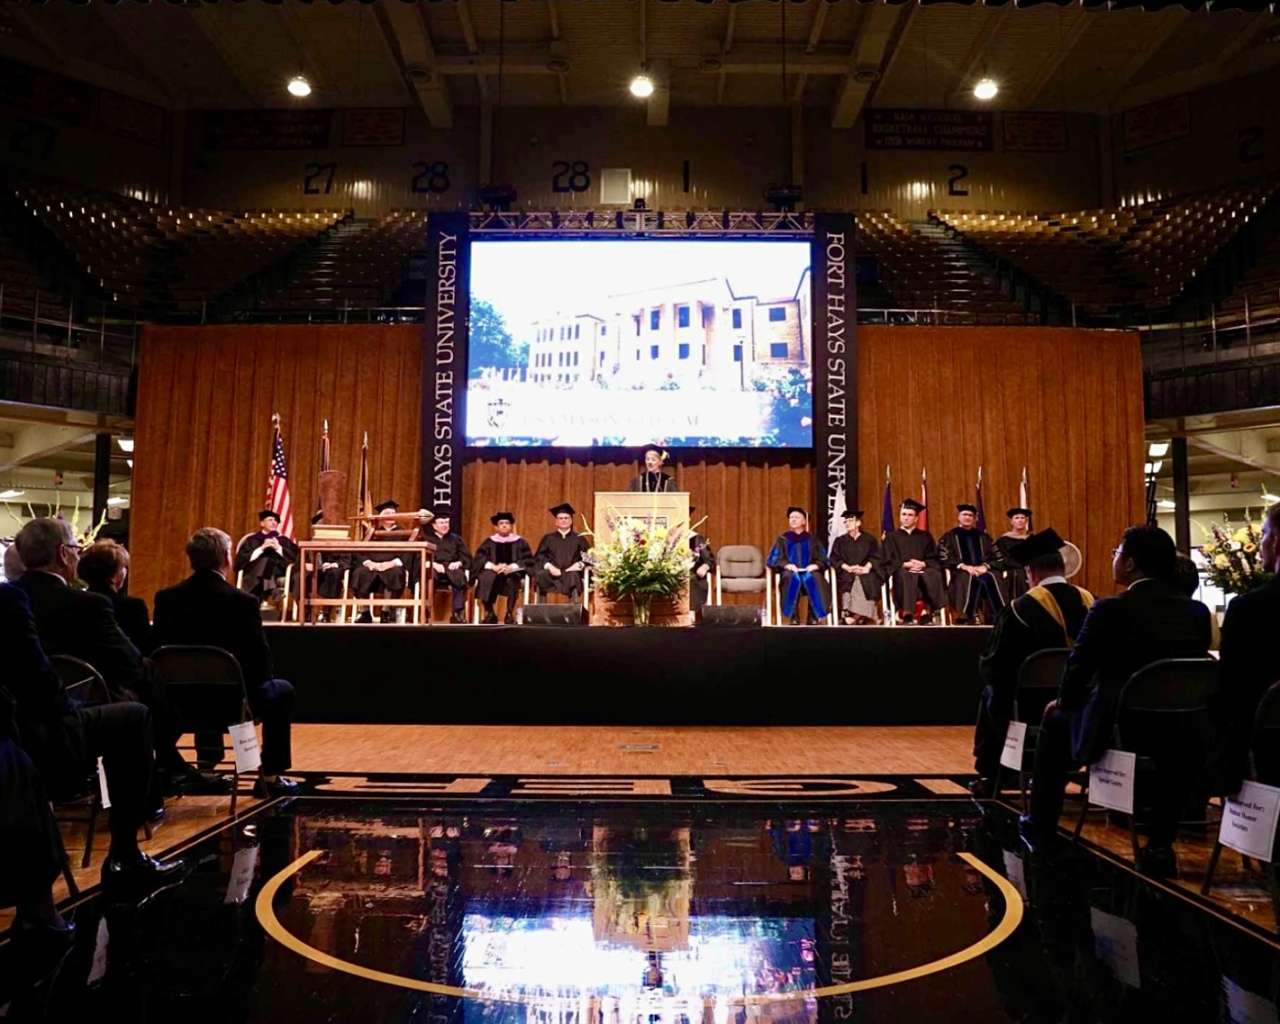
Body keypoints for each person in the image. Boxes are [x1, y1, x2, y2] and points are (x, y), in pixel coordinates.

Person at [1023, 525, 1213, 877]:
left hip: (1121, 726)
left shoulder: (1110, 609)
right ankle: (1159, 845)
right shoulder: (1196, 613)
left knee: (1054, 719)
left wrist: (1064, 701)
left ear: (1130, 565)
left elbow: (1078, 668)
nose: (1113, 557)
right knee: (1172, 752)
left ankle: (1040, 820)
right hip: (1182, 729)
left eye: (1116, 552)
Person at [1, 580, 185, 893]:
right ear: (62, 554)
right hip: (26, 736)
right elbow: (40, 681)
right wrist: (72, 703)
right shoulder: (8, 600)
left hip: (16, 730)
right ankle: (125, 856)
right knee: (134, 716)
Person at [151, 528, 298, 797]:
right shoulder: (242, 602)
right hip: (232, 701)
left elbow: (157, 652)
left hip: (177, 701)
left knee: (200, 677)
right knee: (281, 689)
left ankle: (206, 766)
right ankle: (271, 775)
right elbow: (260, 661)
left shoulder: (166, 598)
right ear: (225, 559)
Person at [971, 529, 1095, 796]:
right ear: (1063, 568)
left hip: (1030, 705)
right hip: (1082, 701)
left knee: (993, 691)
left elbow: (995, 666)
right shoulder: (1092, 603)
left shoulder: (1020, 608)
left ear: (1032, 572)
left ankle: (996, 774)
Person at [15, 518, 148, 703]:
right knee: (141, 709)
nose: (78, 557)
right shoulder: (90, 605)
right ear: (62, 553)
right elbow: (130, 663)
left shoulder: (7, 598)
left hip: (15, 709)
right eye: (76, 549)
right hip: (75, 710)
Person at [1214, 502, 1280, 794]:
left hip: (1265, 746)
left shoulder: (1248, 609)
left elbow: (1231, 690)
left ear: (1276, 541)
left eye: (1264, 534)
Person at [77, 539, 153, 655]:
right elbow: (146, 649)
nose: (125, 572)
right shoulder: (133, 606)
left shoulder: (76, 602)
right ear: (114, 575)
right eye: (123, 567)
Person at [351, 500, 418, 623]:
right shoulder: (372, 533)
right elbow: (360, 552)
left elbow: (408, 553)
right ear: (380, 517)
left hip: (392, 565)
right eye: (387, 513)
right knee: (359, 573)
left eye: (393, 513)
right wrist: (370, 563)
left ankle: (385, 611)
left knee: (394, 573)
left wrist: (390, 563)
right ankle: (365, 612)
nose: (391, 515)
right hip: (373, 566)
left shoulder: (403, 532)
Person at [880, 499, 945, 624]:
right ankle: (908, 613)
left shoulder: (925, 536)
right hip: (902, 570)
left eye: (910, 515)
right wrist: (904, 564)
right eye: (903, 514)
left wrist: (923, 564)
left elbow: (933, 557)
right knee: (907, 575)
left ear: (916, 518)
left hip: (923, 569)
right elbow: (887, 558)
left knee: (933, 574)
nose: (906, 518)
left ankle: (928, 610)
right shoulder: (891, 537)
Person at [938, 504, 1005, 625]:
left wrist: (985, 567)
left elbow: (997, 557)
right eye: (964, 514)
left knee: (992, 577)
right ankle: (964, 616)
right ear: (958, 517)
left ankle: (999, 615)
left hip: (983, 570)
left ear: (974, 519)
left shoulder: (983, 537)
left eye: (970, 515)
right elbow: (944, 557)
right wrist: (963, 566)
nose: (967, 517)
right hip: (960, 571)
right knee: (966, 578)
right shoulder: (950, 536)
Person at [767, 507, 830, 625]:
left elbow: (823, 559)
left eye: (796, 517)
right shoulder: (783, 539)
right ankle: (793, 616)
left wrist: (816, 565)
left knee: (815, 577)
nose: (793, 519)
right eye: (791, 517)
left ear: (804, 522)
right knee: (790, 577)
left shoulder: (812, 539)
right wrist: (787, 565)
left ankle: (813, 616)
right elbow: (774, 559)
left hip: (809, 571)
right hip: (790, 572)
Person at [473, 512, 533, 624]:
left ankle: (509, 613)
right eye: (501, 523)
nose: (504, 525)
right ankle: (490, 613)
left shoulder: (520, 542)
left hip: (512, 572)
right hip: (493, 572)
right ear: (496, 527)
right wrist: (493, 566)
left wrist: (512, 566)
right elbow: (479, 559)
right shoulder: (489, 542)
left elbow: (528, 559)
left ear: (511, 526)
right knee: (485, 578)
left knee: (513, 580)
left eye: (507, 523)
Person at [830, 509, 883, 625]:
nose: (847, 523)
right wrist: (847, 567)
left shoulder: (869, 539)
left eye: (850, 520)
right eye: (846, 521)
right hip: (846, 572)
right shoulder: (840, 541)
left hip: (867, 572)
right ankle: (871, 614)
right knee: (851, 579)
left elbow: (876, 557)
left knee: (866, 580)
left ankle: (853, 616)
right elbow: (834, 558)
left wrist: (866, 568)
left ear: (858, 523)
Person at [233, 510, 299, 603]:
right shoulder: (252, 540)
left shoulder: (283, 541)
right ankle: (272, 590)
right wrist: (261, 548)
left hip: (278, 571)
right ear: (262, 523)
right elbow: (241, 560)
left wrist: (278, 548)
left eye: (276, 520)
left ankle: (267, 592)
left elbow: (296, 558)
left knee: (267, 561)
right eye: (270, 520)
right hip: (254, 570)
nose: (274, 522)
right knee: (265, 561)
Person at [534, 503, 589, 601]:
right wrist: (549, 566)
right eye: (560, 518)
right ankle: (540, 609)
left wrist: (579, 564)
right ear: (556, 522)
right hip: (552, 572)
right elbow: (539, 557)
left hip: (571, 572)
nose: (563, 520)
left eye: (566, 518)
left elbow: (588, 557)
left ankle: (573, 610)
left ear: (571, 521)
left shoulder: (580, 539)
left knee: (573, 576)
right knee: (541, 576)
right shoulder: (548, 538)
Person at [427, 507, 472, 624]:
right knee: (429, 576)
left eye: (447, 522)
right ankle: (427, 611)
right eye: (441, 522)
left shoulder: (456, 539)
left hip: (452, 568)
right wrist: (433, 564)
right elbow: (419, 557)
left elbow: (466, 557)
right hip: (435, 567)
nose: (445, 525)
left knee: (459, 576)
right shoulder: (427, 538)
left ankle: (457, 613)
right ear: (434, 525)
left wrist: (459, 562)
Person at [995, 507, 1033, 600]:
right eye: (1016, 518)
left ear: (1026, 521)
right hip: (1013, 573)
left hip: (1032, 571)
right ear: (1011, 522)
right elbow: (1004, 560)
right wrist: (1023, 566)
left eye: (1022, 518)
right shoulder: (1003, 540)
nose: (1020, 520)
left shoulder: (1032, 539)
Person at [688, 513, 715, 616]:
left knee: (692, 579)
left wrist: (705, 566)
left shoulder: (696, 538)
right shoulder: (666, 537)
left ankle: (692, 616)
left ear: (689, 518)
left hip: (692, 575)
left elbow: (709, 559)